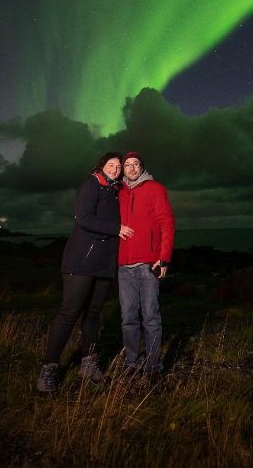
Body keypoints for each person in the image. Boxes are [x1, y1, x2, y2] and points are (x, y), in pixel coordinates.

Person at [37, 152, 133, 393]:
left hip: (104, 263)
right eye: (111, 165)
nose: (115, 169)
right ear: (101, 167)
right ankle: (48, 370)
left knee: (93, 313)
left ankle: (88, 365)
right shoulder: (91, 185)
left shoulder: (114, 190)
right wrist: (116, 228)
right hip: (82, 260)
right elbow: (84, 218)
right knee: (70, 313)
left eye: (118, 166)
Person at [117, 151, 175, 380]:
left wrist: (164, 258)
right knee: (128, 317)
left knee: (150, 316)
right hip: (123, 264)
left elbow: (166, 223)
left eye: (136, 164)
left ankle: (153, 367)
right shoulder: (117, 191)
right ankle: (133, 362)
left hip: (148, 263)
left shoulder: (155, 188)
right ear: (122, 169)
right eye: (127, 165)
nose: (131, 168)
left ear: (142, 167)